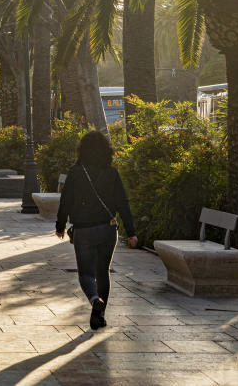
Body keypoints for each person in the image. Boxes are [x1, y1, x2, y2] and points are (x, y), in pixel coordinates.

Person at [55, 131, 138, 330]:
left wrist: (60, 226)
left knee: (85, 273)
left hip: (83, 231)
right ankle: (98, 316)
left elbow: (65, 201)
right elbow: (122, 203)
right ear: (106, 150)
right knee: (103, 272)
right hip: (108, 230)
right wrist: (132, 231)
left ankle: (93, 299)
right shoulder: (112, 173)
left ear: (82, 150)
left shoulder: (76, 172)